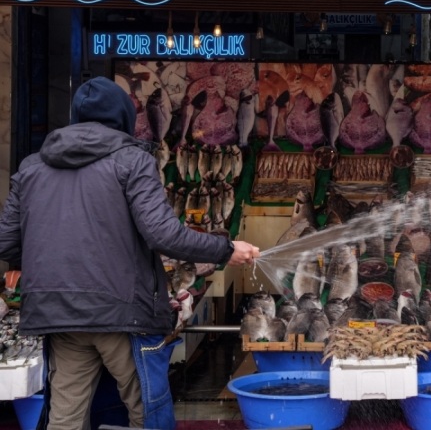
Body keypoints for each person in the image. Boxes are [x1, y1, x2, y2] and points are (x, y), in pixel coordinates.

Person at [0, 77, 260, 430]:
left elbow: (7, 242)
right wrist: (225, 248)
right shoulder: (132, 161)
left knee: (65, 417)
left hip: (58, 313)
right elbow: (163, 233)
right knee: (145, 412)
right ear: (123, 118)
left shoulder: (32, 167)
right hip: (122, 314)